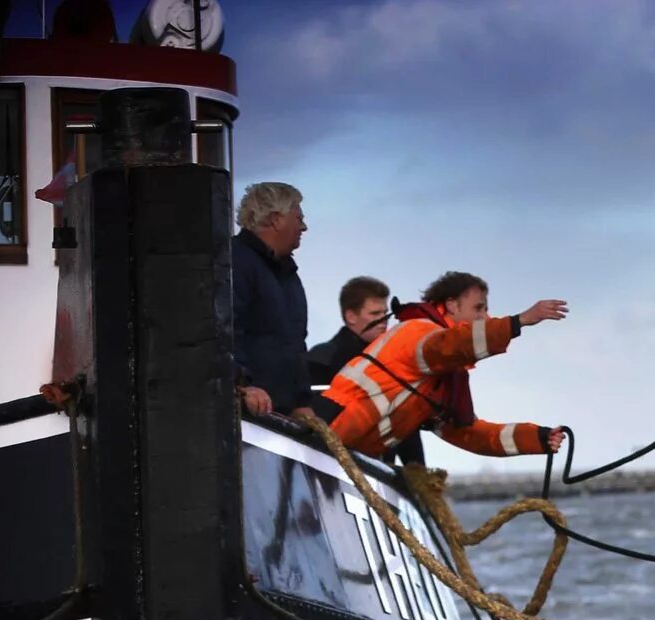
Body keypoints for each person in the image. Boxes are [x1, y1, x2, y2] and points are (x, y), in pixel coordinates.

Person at [315, 270, 568, 461]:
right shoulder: (417, 333)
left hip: (346, 455)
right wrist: (518, 322)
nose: (486, 318)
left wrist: (538, 438)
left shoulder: (441, 383)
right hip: (325, 433)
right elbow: (452, 344)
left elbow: (470, 434)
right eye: (478, 308)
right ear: (451, 305)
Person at [231, 181, 310, 418]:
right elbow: (224, 329)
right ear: (276, 220)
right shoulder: (233, 261)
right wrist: (241, 385)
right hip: (248, 417)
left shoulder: (288, 275)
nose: (304, 227)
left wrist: (301, 401)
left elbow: (296, 344)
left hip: (279, 417)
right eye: (298, 218)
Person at [307, 275, 391, 386]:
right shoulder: (323, 360)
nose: (384, 319)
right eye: (375, 313)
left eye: (385, 313)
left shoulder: (392, 356)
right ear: (351, 317)